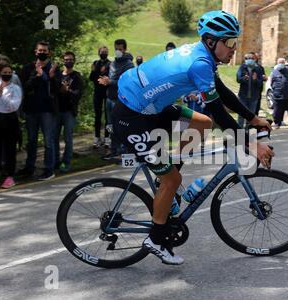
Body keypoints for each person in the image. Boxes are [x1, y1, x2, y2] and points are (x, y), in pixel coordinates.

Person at [114, 10, 274, 265]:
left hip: (152, 105)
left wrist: (253, 118)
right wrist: (249, 142)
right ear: (211, 41)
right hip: (132, 116)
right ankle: (155, 239)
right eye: (229, 42)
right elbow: (218, 109)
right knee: (173, 178)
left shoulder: (204, 57)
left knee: (202, 123)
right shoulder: (200, 64)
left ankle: (166, 185)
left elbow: (222, 94)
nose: (233, 48)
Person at [18, 41, 61, 181]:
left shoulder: (53, 68)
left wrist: (52, 76)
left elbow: (58, 89)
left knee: (48, 141)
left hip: (48, 110)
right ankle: (29, 168)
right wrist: (38, 76)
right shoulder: (28, 68)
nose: (42, 52)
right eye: (40, 50)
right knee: (31, 140)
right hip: (31, 110)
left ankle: (49, 170)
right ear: (35, 52)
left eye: (45, 51)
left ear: (49, 52)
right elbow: (25, 86)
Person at [98, 39, 134, 160]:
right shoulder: (113, 63)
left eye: (120, 49)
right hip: (109, 99)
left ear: (124, 49)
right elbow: (112, 78)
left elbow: (127, 82)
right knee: (110, 127)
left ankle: (124, 153)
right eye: (116, 48)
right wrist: (105, 80)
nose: (118, 51)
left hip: (121, 100)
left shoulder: (129, 64)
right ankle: (114, 151)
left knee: (121, 127)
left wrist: (110, 82)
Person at [54, 52, 83, 173]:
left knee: (68, 138)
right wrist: (60, 90)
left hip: (69, 112)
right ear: (63, 61)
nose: (68, 61)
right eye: (66, 59)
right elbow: (52, 91)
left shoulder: (77, 77)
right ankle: (55, 161)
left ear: (74, 61)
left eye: (71, 59)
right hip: (56, 111)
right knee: (54, 138)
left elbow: (78, 94)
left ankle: (66, 163)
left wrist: (67, 90)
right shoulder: (57, 75)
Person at [89, 46, 111, 148]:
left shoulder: (111, 64)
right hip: (97, 92)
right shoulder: (95, 63)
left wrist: (103, 75)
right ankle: (97, 137)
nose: (104, 53)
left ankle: (107, 138)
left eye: (105, 52)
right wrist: (97, 72)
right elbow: (91, 78)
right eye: (102, 52)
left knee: (108, 116)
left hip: (107, 92)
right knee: (97, 115)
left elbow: (110, 77)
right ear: (99, 53)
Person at [236, 53, 264, 128]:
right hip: (243, 96)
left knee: (251, 116)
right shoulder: (242, 67)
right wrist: (244, 78)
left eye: (252, 58)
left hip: (254, 97)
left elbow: (260, 83)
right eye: (248, 58)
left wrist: (255, 80)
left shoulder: (258, 69)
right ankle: (239, 131)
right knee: (241, 115)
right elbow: (238, 79)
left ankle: (248, 131)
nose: (250, 60)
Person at [271, 58, 288, 129]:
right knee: (277, 111)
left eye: (282, 62)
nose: (281, 63)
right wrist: (276, 89)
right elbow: (272, 83)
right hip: (278, 94)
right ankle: (277, 124)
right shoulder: (274, 72)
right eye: (280, 62)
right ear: (277, 62)